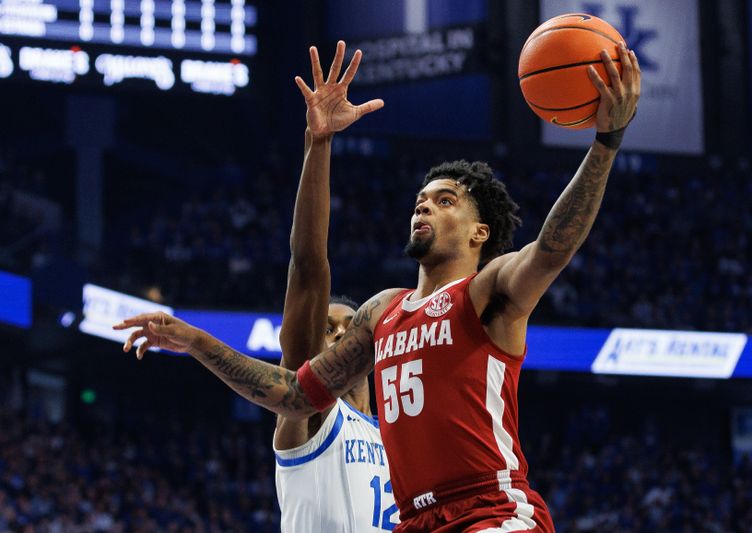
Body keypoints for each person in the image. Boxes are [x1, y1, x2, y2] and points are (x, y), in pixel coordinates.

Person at [116, 39, 640, 532]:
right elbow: (295, 391)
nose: (423, 205)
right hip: (416, 521)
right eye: (420, 199)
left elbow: (552, 249)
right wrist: (195, 341)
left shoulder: (487, 292)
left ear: (481, 233)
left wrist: (605, 143)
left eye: (444, 199)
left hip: (490, 509)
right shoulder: (382, 311)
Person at [272, 41, 396, 532]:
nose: (341, 336)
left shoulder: (397, 439)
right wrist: (318, 144)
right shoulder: (312, 414)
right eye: (328, 329)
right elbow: (308, 267)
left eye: (349, 327)